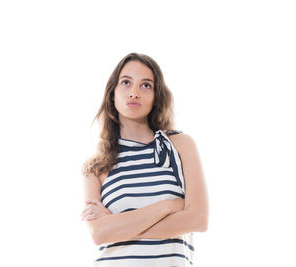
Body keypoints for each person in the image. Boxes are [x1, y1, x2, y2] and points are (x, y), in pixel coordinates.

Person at [81, 52, 208, 267]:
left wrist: (117, 224)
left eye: (146, 85)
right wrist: (168, 206)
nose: (134, 93)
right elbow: (99, 234)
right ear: (112, 93)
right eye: (126, 83)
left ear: (156, 95)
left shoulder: (179, 145)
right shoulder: (95, 166)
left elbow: (198, 220)